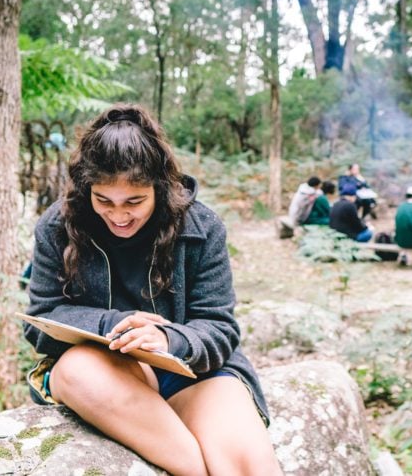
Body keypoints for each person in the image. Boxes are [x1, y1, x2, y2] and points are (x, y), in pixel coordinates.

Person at [23, 104, 282, 476]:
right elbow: (39, 321)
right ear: (87, 189)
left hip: (189, 371)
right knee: (78, 371)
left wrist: (166, 339)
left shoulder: (201, 226)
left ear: (160, 188)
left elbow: (220, 327)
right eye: (103, 201)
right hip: (100, 369)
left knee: (249, 465)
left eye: (134, 201)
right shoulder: (57, 226)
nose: (118, 215)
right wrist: (116, 324)